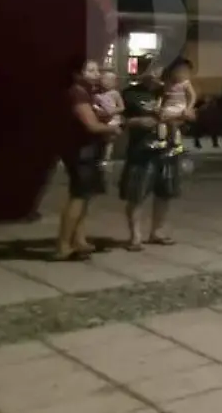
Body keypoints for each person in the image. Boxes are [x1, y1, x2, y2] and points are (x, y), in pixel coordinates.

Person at [56, 58, 118, 261]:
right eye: (90, 70)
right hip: (81, 150)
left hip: (87, 149)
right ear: (77, 74)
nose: (96, 74)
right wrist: (114, 128)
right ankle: (64, 245)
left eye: (97, 70)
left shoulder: (87, 93)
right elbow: (91, 125)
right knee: (78, 196)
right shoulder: (78, 93)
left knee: (85, 197)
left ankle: (78, 239)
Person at [119, 59, 185, 250]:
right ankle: (135, 236)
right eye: (155, 72)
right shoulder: (131, 93)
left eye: (162, 72)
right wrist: (137, 122)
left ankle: (157, 231)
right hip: (142, 151)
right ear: (144, 73)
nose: (159, 76)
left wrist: (186, 117)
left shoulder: (170, 92)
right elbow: (120, 120)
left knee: (165, 193)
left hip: (168, 150)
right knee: (136, 194)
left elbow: (183, 114)